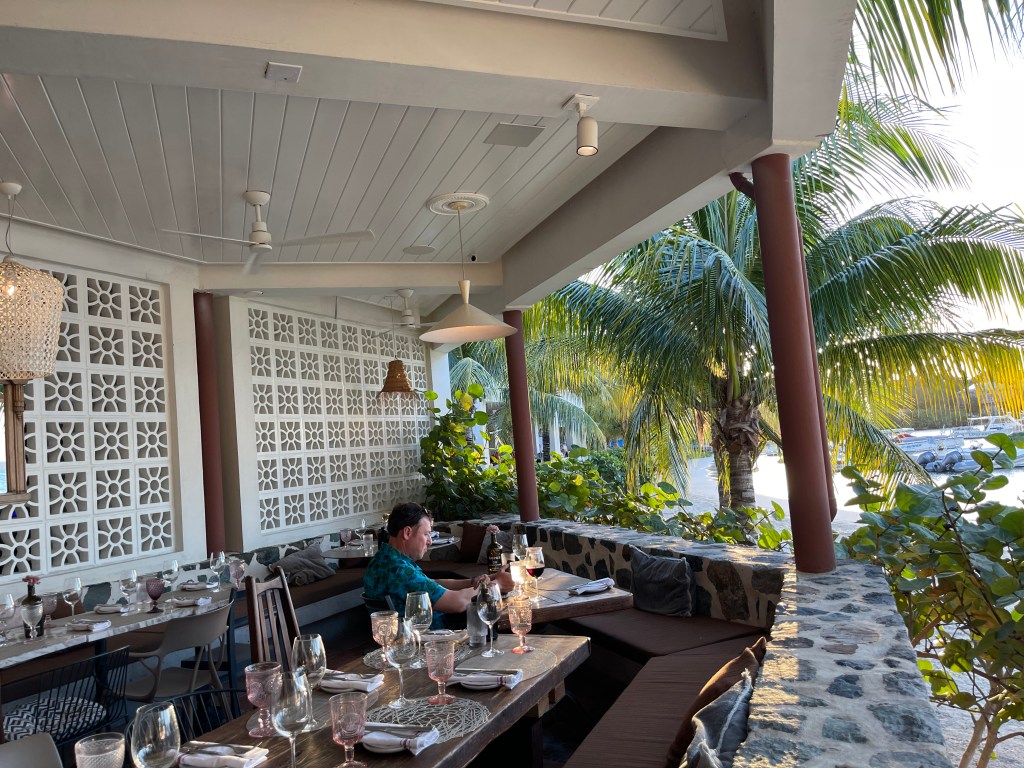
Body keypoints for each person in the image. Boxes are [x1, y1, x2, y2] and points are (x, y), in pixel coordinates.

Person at [363, 502, 514, 629]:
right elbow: (457, 602)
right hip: (432, 640)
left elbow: (432, 584)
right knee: (503, 621)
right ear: (407, 533)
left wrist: (476, 581)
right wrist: (497, 585)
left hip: (415, 638)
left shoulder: (382, 560)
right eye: (426, 534)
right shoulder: (399, 570)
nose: (429, 541)